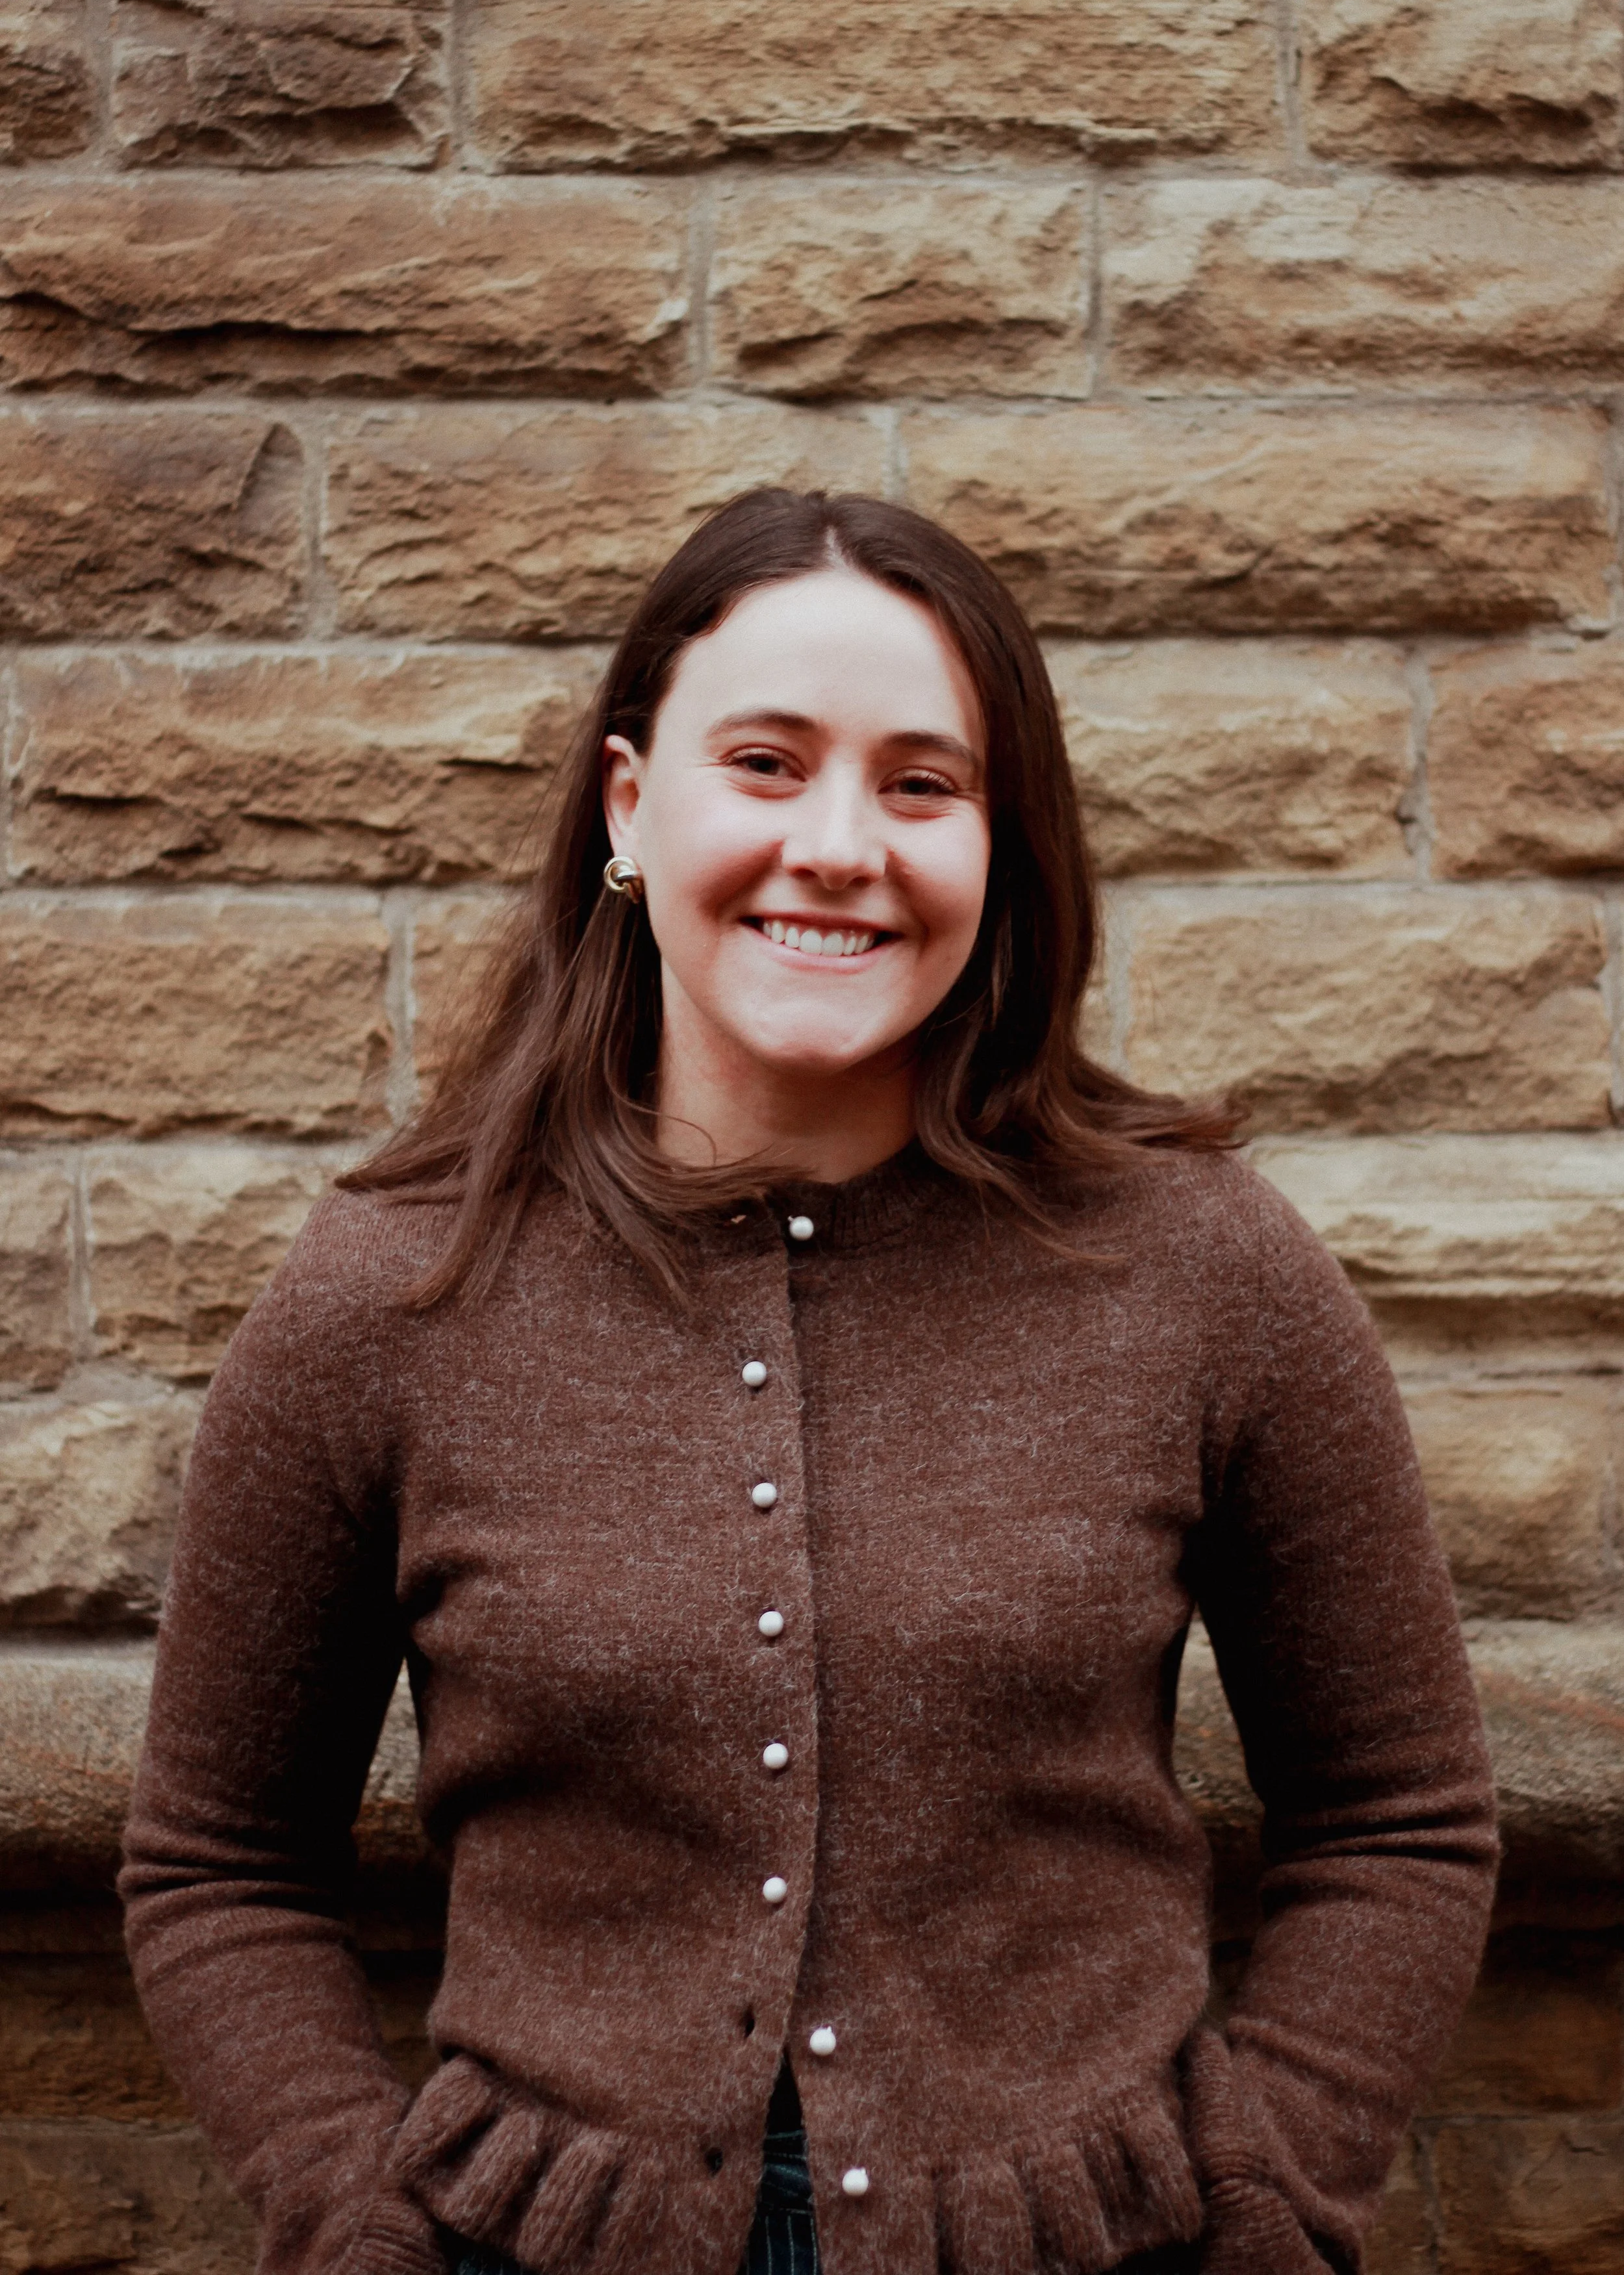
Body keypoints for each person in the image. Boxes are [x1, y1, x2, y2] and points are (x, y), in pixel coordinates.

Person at [120, 490, 1497, 2275]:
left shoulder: (1201, 1267)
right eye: (764, 764)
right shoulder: (391, 1287)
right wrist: (353, 2220)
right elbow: (217, 1859)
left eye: (922, 784)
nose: (838, 844)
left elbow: (1400, 1813)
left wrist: (1266, 2198)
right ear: (630, 803)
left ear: (1002, 841)